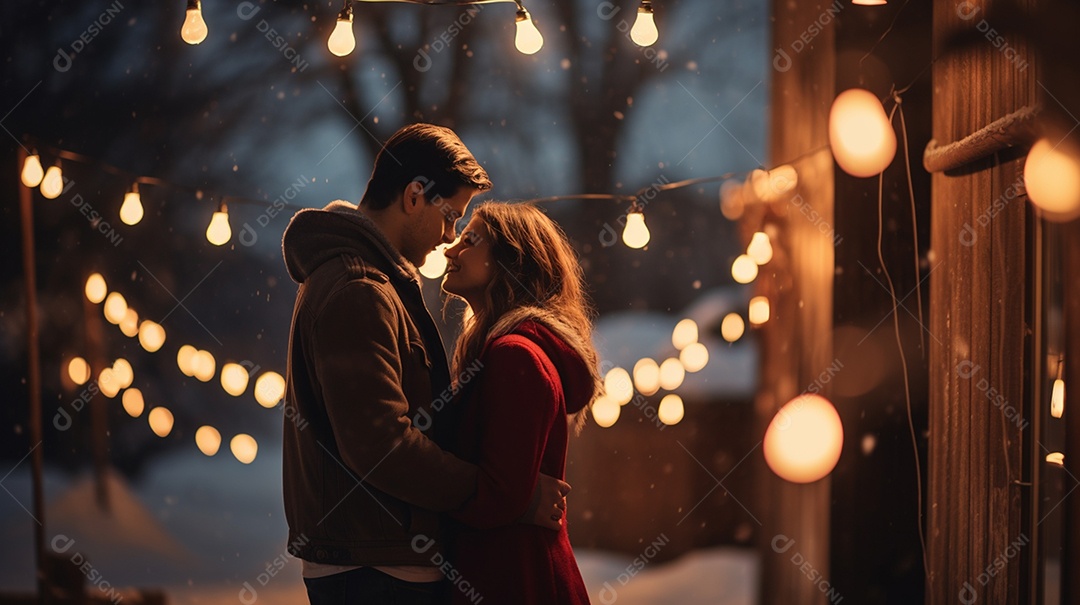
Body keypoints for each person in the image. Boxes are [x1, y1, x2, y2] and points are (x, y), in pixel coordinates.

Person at [281, 124, 568, 605]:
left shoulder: (375, 284)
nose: (450, 237)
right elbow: (382, 443)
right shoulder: (359, 290)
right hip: (375, 566)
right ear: (415, 196)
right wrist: (505, 496)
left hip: (381, 557)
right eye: (452, 216)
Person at [439, 202, 601, 605]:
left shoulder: (515, 357)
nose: (450, 249)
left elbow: (499, 496)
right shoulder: (502, 352)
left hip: (514, 579)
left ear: (509, 262)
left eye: (470, 240)